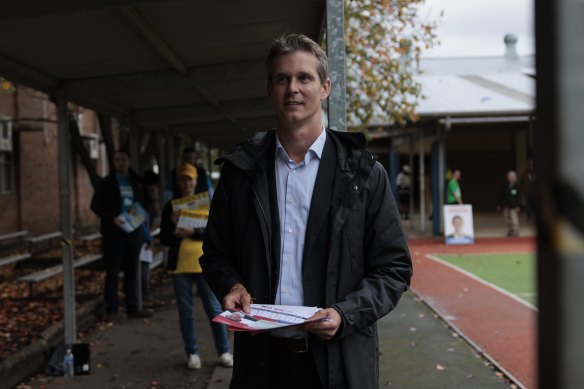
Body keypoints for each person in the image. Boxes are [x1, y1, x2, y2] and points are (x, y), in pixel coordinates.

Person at [200, 33, 412, 389]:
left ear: (325, 87)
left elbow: (394, 268)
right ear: (270, 90)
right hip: (262, 365)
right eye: (282, 79)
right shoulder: (241, 173)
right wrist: (231, 284)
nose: (292, 89)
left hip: (339, 365)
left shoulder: (363, 174)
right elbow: (215, 253)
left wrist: (347, 314)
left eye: (304, 78)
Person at [159, 163, 233, 370]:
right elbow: (164, 239)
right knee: (186, 313)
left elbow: (216, 234)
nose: (187, 183)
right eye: (182, 179)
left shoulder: (207, 203)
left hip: (204, 266)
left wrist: (194, 233)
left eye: (190, 179)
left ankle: (224, 351)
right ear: (178, 182)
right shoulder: (171, 206)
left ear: (196, 181)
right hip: (179, 268)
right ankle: (192, 353)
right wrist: (173, 225)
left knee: (213, 309)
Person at [90, 150, 152, 319]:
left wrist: (143, 215)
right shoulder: (107, 182)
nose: (120, 162)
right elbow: (95, 205)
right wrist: (112, 219)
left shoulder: (137, 181)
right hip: (113, 233)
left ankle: (133, 307)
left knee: (132, 271)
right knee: (113, 272)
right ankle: (112, 309)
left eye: (123, 159)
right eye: (117, 160)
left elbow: (147, 202)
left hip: (134, 232)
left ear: (129, 161)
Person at [498, 170, 523, 237]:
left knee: (514, 218)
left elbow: (520, 196)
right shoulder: (505, 185)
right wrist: (499, 204)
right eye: (509, 176)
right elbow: (501, 195)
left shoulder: (517, 186)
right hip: (506, 205)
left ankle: (515, 230)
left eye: (512, 176)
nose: (510, 177)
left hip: (514, 206)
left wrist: (518, 205)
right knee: (506, 218)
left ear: (515, 177)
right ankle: (511, 229)